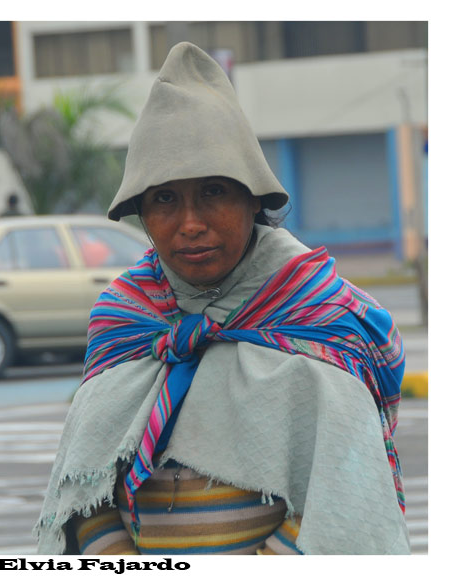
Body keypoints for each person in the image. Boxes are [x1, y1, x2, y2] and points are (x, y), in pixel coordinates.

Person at [35, 42, 409, 555]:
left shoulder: (318, 314)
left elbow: (344, 489)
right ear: (141, 214)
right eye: (164, 199)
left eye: (213, 192)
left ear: (253, 199)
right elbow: (87, 481)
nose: (190, 223)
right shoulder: (124, 321)